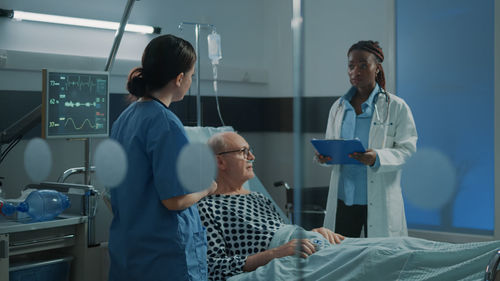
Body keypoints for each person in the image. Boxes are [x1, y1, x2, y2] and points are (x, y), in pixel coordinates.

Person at [108, 34, 216, 281]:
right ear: (179, 78)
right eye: (191, 75)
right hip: (162, 258)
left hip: (129, 253)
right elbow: (174, 201)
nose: (191, 81)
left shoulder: (125, 119)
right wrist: (206, 189)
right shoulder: (166, 124)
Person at [198, 132, 344, 281]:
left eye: (251, 151)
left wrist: (312, 233)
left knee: (363, 248)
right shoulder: (207, 207)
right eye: (244, 152)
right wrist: (273, 254)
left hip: (307, 246)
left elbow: (285, 235)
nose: (252, 157)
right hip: (285, 260)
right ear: (220, 162)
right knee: (366, 257)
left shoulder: (258, 198)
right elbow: (212, 267)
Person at [316, 40, 418, 238]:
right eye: (351, 66)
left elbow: (408, 151)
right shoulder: (338, 107)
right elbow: (331, 144)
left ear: (377, 68)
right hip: (344, 199)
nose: (356, 71)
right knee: (343, 257)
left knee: (382, 258)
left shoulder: (396, 106)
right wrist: (325, 158)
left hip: (378, 200)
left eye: (363, 65)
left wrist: (377, 157)